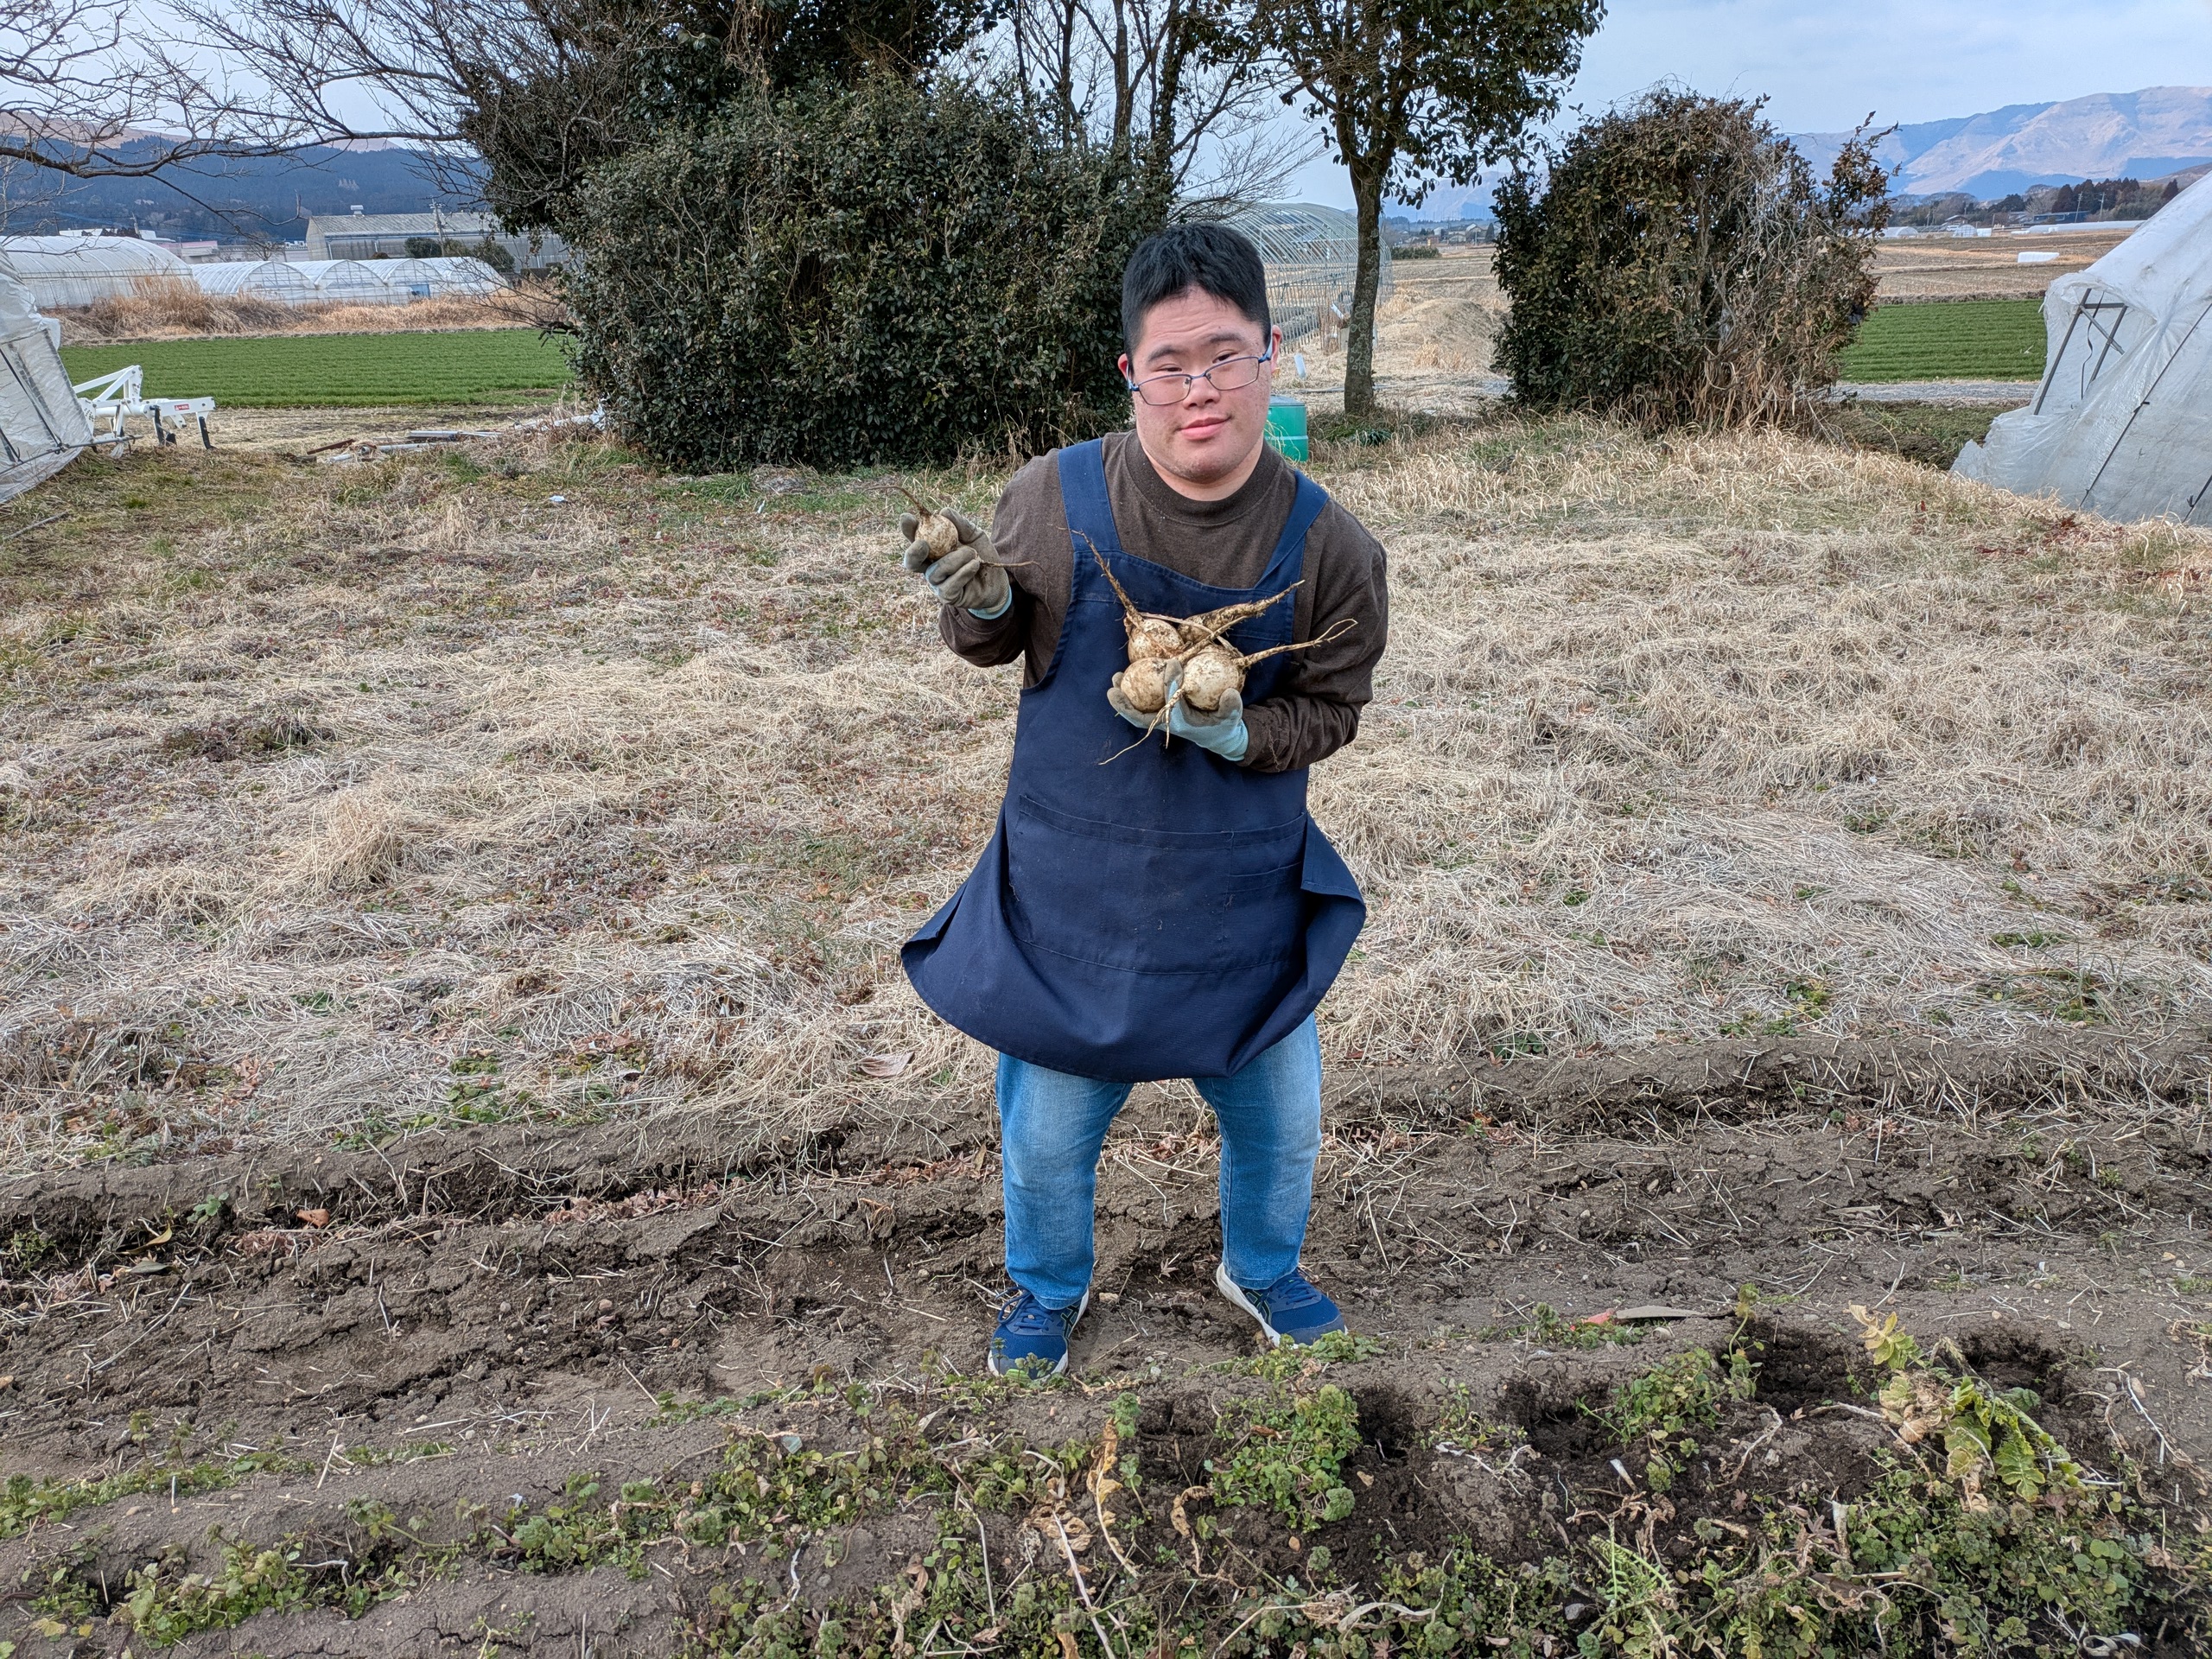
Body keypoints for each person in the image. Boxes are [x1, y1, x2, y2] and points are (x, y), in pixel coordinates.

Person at [898, 223, 1389, 1376]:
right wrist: (978, 605)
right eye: (1169, 366)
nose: (1198, 390)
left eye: (1225, 357)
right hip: (1076, 897)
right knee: (1046, 1138)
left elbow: (1332, 711)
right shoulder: (1052, 495)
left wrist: (1240, 730)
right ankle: (1047, 1288)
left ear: (1271, 356)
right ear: (1132, 374)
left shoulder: (1333, 548)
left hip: (1240, 899)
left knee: (1282, 1125)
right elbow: (993, 639)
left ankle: (1262, 1267)